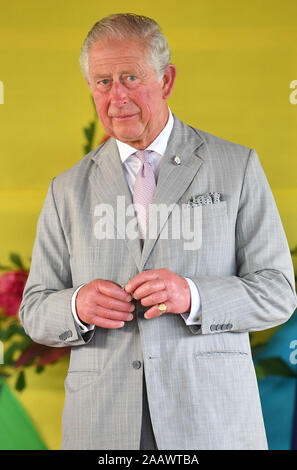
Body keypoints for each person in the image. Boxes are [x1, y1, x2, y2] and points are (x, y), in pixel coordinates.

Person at [19, 13, 297, 450]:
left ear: (166, 80)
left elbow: (279, 291)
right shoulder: (66, 189)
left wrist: (194, 296)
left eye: (130, 77)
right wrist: (76, 305)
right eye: (103, 81)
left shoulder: (237, 167)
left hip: (211, 422)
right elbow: (34, 309)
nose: (117, 96)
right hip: (103, 427)